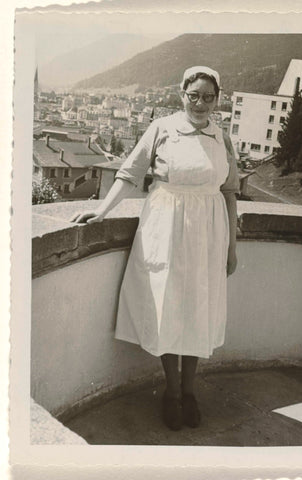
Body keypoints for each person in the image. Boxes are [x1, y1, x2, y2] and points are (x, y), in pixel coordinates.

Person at [71, 66, 239, 431]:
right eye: (193, 95)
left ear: (217, 99)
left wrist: (230, 247)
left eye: (208, 96)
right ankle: (173, 392)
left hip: (209, 233)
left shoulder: (221, 138)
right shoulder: (162, 129)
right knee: (167, 307)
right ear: (182, 93)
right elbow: (130, 174)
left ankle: (191, 391)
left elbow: (229, 193)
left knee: (198, 310)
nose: (200, 103)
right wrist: (100, 211)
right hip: (166, 228)